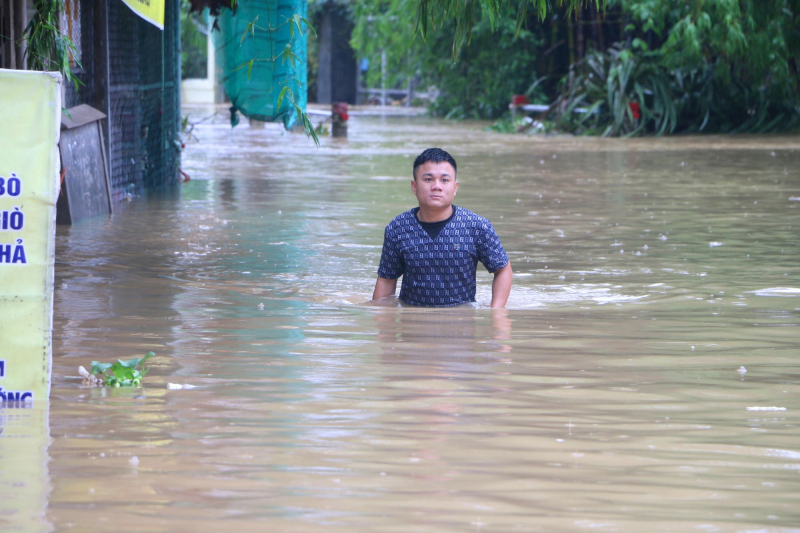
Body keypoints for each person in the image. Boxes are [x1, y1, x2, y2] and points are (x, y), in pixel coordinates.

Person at [372, 148, 512, 308]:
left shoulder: (476, 227)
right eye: (428, 179)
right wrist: (382, 325)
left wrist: (497, 314)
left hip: (462, 323)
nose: (436, 186)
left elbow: (503, 270)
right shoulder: (398, 229)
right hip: (412, 322)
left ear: (455, 187)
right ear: (414, 186)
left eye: (445, 180)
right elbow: (386, 280)